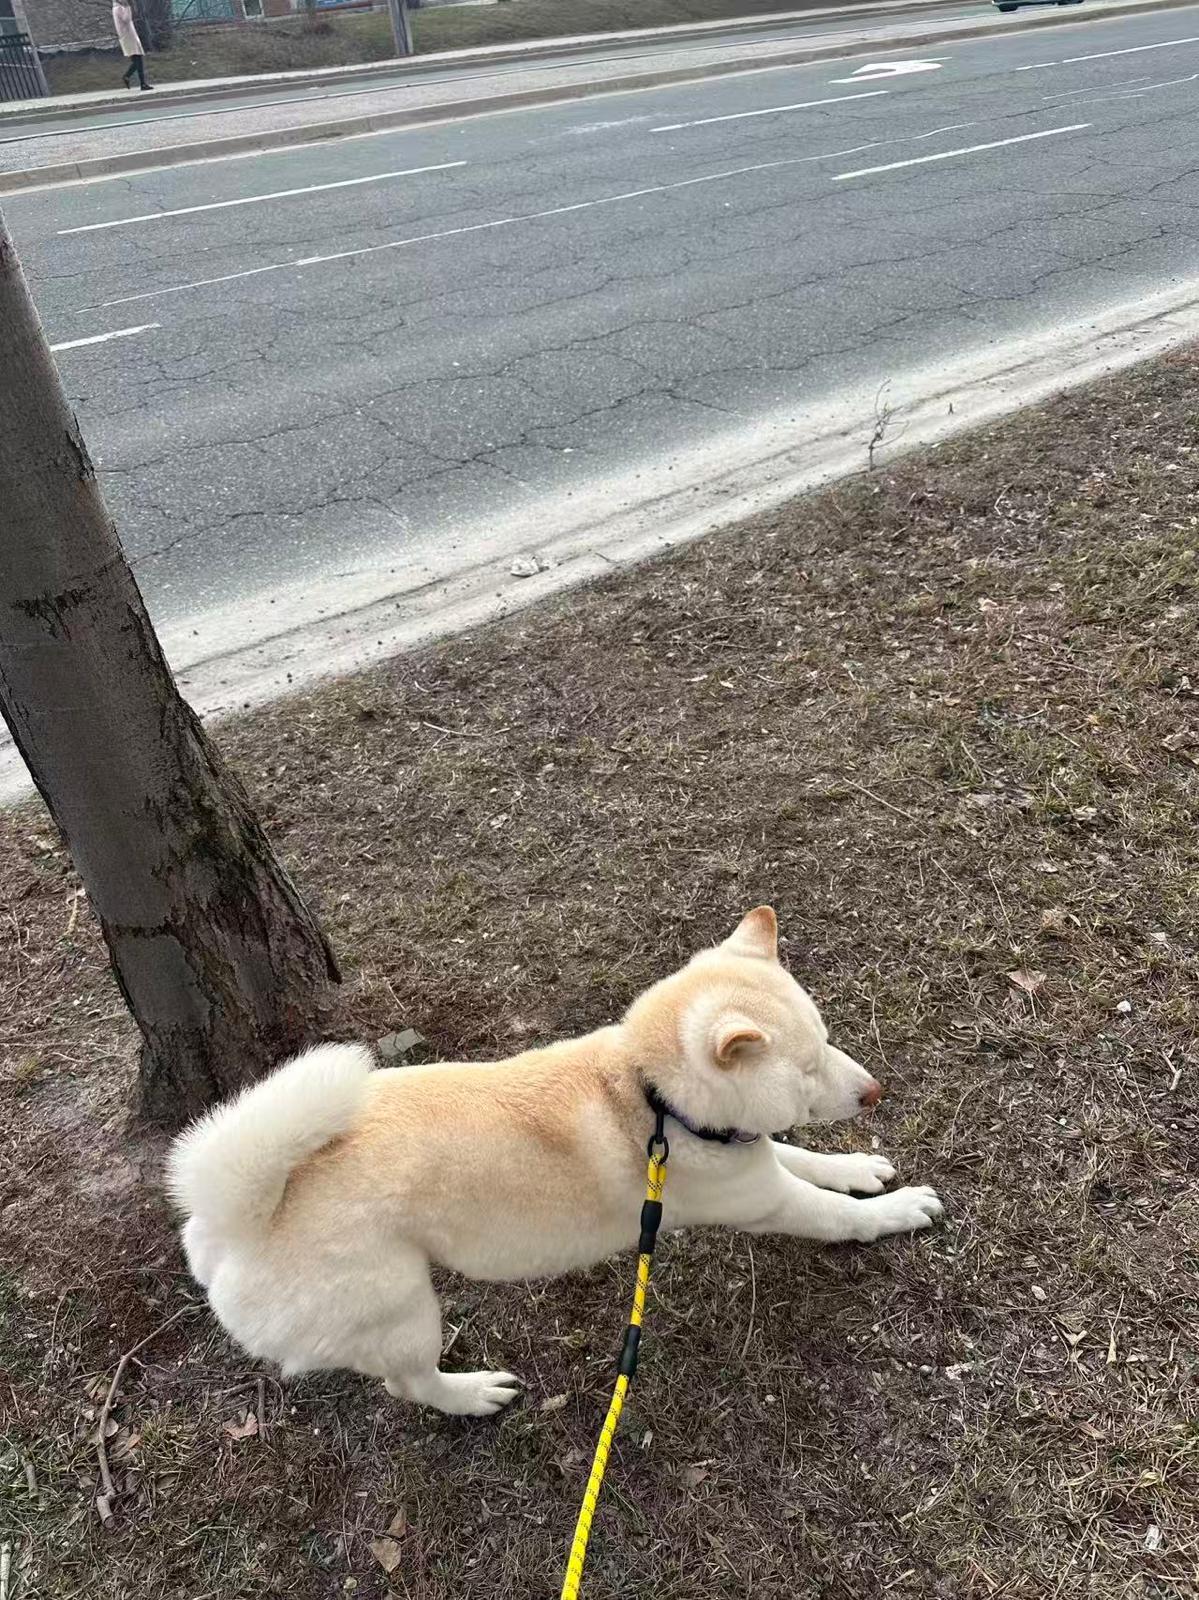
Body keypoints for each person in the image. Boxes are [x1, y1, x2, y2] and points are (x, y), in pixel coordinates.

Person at [112, 2, 152, 91]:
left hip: (126, 36)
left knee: (136, 60)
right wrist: (128, 7)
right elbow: (126, 19)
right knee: (138, 59)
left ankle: (127, 76)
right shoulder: (119, 8)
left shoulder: (116, 8)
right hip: (128, 36)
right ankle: (142, 83)